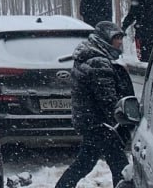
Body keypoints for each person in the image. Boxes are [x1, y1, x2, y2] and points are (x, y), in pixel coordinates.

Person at [54, 21, 134, 188]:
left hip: (92, 121)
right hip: (100, 124)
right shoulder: (98, 61)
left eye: (120, 37)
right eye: (116, 38)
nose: (120, 42)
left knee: (86, 163)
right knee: (119, 165)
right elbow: (108, 99)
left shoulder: (91, 55)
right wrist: (122, 120)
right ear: (105, 39)